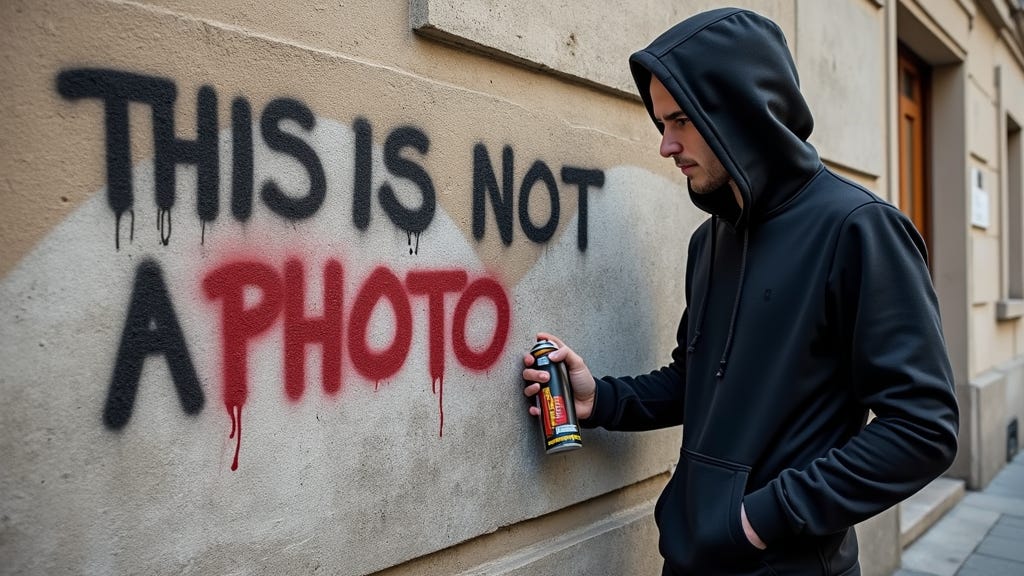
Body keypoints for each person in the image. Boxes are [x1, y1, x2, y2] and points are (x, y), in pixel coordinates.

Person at [521, 7, 959, 575]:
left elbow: (922, 428)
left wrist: (763, 519)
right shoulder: (710, 242)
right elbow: (696, 379)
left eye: (680, 121)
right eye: (661, 124)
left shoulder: (859, 229)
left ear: (740, 112)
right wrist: (600, 400)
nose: (665, 145)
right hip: (690, 560)